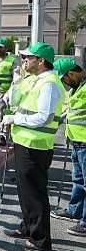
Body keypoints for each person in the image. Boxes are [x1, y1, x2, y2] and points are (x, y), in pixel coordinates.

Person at [1, 42, 64, 251]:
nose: (24, 60)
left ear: (41, 61)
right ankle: (27, 227)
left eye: (28, 57)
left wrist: (15, 118)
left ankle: (40, 240)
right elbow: (16, 100)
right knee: (24, 192)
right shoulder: (35, 80)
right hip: (24, 143)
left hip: (36, 146)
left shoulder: (49, 83)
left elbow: (44, 118)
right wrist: (17, 82)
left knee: (34, 195)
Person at [49, 58, 86, 237]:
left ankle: (85, 222)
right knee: (78, 180)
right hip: (77, 142)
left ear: (71, 74)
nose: (63, 83)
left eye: (63, 79)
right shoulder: (77, 87)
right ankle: (75, 211)